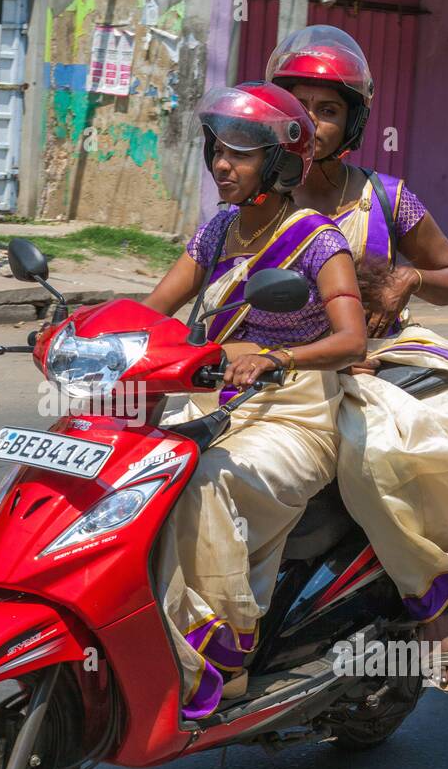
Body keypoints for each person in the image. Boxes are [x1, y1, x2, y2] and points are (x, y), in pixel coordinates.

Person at [268, 25, 448, 691]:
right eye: (300, 104)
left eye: (329, 108)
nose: (312, 122)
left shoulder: (386, 197)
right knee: (383, 457)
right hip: (299, 367)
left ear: (354, 121)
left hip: (389, 353)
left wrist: (408, 280)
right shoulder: (262, 198)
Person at [142, 82, 368, 720]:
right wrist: (78, 326)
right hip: (211, 398)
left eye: (240, 154)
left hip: (292, 416)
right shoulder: (216, 232)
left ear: (278, 164)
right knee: (133, 469)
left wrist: (276, 356)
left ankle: (219, 654)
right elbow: (152, 309)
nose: (220, 164)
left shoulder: (317, 239)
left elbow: (352, 339)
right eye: (218, 149)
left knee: (199, 476)